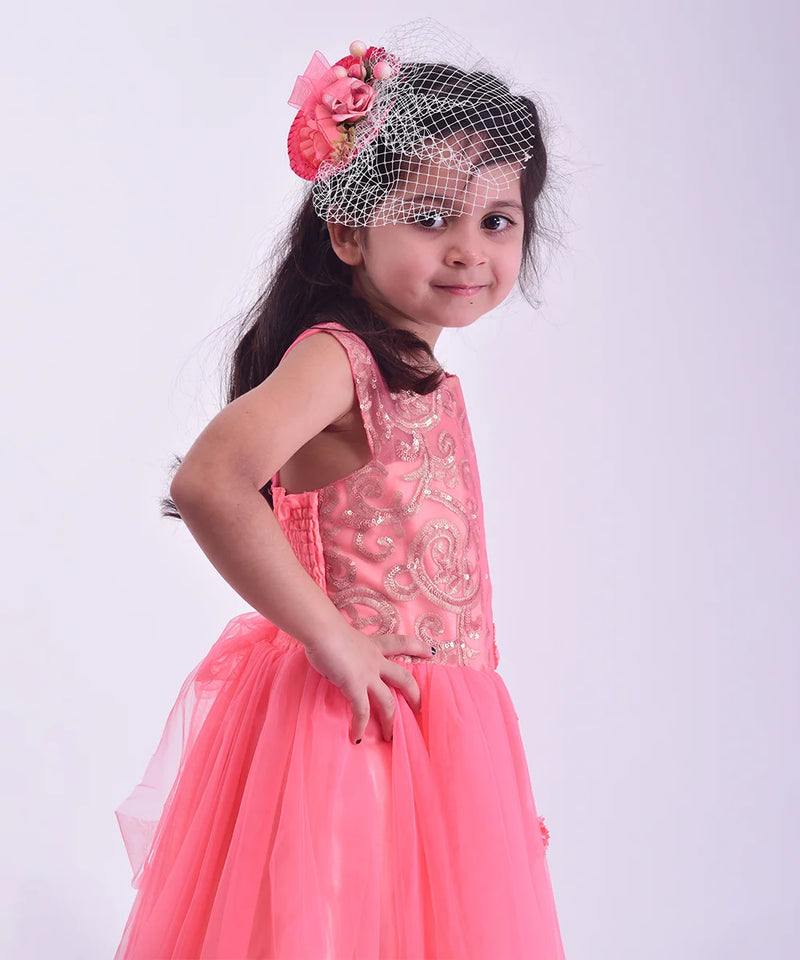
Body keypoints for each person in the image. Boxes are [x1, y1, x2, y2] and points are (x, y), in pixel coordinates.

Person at [113, 30, 566, 960]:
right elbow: (210, 480)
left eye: (497, 220)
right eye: (431, 216)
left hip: (437, 731)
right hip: (350, 720)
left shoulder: (422, 377)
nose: (467, 249)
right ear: (350, 230)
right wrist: (330, 636)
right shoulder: (340, 359)